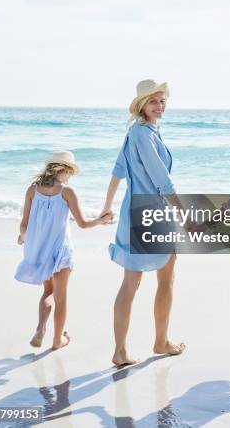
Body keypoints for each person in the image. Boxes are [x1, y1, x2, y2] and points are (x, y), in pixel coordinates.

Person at [101, 79, 185, 367]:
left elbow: (117, 172)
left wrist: (107, 206)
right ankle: (159, 342)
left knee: (132, 282)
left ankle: (121, 350)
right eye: (153, 101)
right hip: (151, 213)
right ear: (141, 104)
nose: (159, 106)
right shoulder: (144, 135)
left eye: (162, 101)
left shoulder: (137, 132)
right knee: (162, 278)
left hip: (132, 211)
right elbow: (163, 181)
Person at [15, 151, 113, 350]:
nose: (70, 176)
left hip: (39, 249)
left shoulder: (32, 190)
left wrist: (23, 238)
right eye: (71, 172)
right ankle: (57, 340)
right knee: (61, 296)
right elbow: (83, 224)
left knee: (48, 291)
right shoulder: (67, 192)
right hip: (60, 250)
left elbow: (24, 225)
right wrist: (101, 221)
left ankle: (40, 329)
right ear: (66, 170)